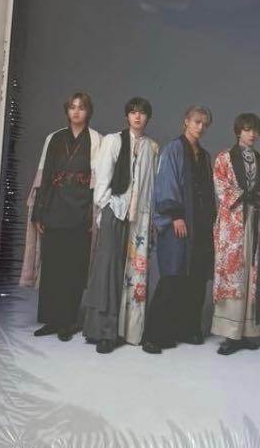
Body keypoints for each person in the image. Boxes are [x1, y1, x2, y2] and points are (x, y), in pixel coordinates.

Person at [20, 93, 102, 340]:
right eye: (72, 107)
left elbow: (99, 181)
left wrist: (92, 214)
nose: (76, 112)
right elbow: (44, 176)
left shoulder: (96, 139)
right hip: (55, 207)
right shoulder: (54, 138)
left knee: (74, 267)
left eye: (81, 107)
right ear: (67, 111)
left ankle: (68, 321)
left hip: (81, 209)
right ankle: (51, 321)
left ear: (88, 112)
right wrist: (39, 212)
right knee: (52, 266)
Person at [82, 97, 160, 353]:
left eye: (142, 113)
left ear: (148, 117)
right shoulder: (113, 140)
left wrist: (148, 218)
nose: (137, 116)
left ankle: (130, 330)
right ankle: (104, 332)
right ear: (127, 116)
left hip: (140, 217)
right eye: (133, 112)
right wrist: (107, 207)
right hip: (115, 210)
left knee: (135, 272)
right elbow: (102, 178)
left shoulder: (152, 147)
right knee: (108, 271)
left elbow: (151, 187)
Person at [142, 106, 217, 354]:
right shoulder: (173, 149)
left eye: (205, 124)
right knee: (173, 276)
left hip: (200, 224)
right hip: (179, 222)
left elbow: (209, 192)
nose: (200, 127)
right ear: (186, 121)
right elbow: (166, 183)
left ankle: (187, 328)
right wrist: (175, 215)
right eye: (196, 122)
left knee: (196, 278)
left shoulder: (204, 156)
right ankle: (154, 335)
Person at [211, 113, 260, 355]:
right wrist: (244, 196)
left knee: (251, 272)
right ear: (238, 131)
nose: (252, 134)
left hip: (255, 220)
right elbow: (221, 186)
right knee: (232, 272)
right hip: (232, 221)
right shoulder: (224, 158)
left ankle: (246, 332)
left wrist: (258, 200)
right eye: (247, 129)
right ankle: (230, 333)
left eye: (255, 130)